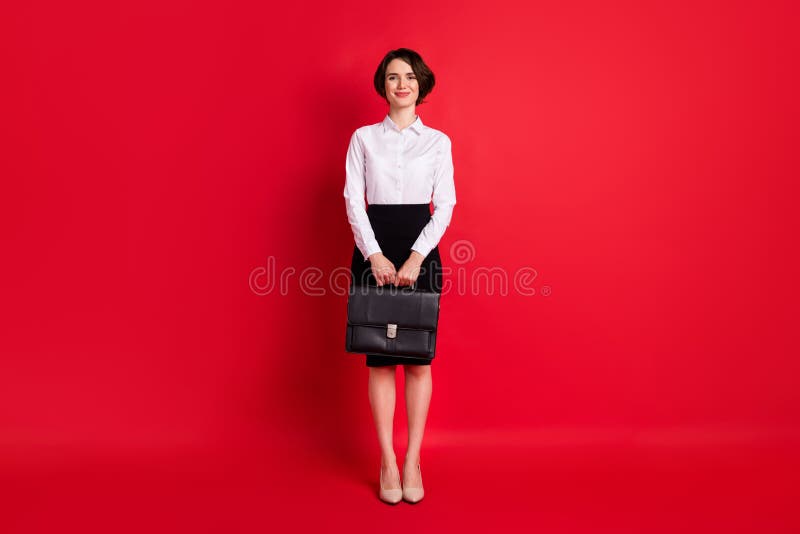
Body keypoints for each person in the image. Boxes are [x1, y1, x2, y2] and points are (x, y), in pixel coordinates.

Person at [343, 48, 456, 504]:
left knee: (417, 358)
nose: (402, 84)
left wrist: (414, 257)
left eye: (409, 77)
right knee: (380, 358)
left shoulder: (439, 143)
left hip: (419, 252)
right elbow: (354, 200)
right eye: (393, 77)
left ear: (421, 85)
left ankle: (413, 459)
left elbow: (445, 204)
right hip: (373, 252)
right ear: (383, 86)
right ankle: (388, 460)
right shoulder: (363, 138)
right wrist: (374, 255)